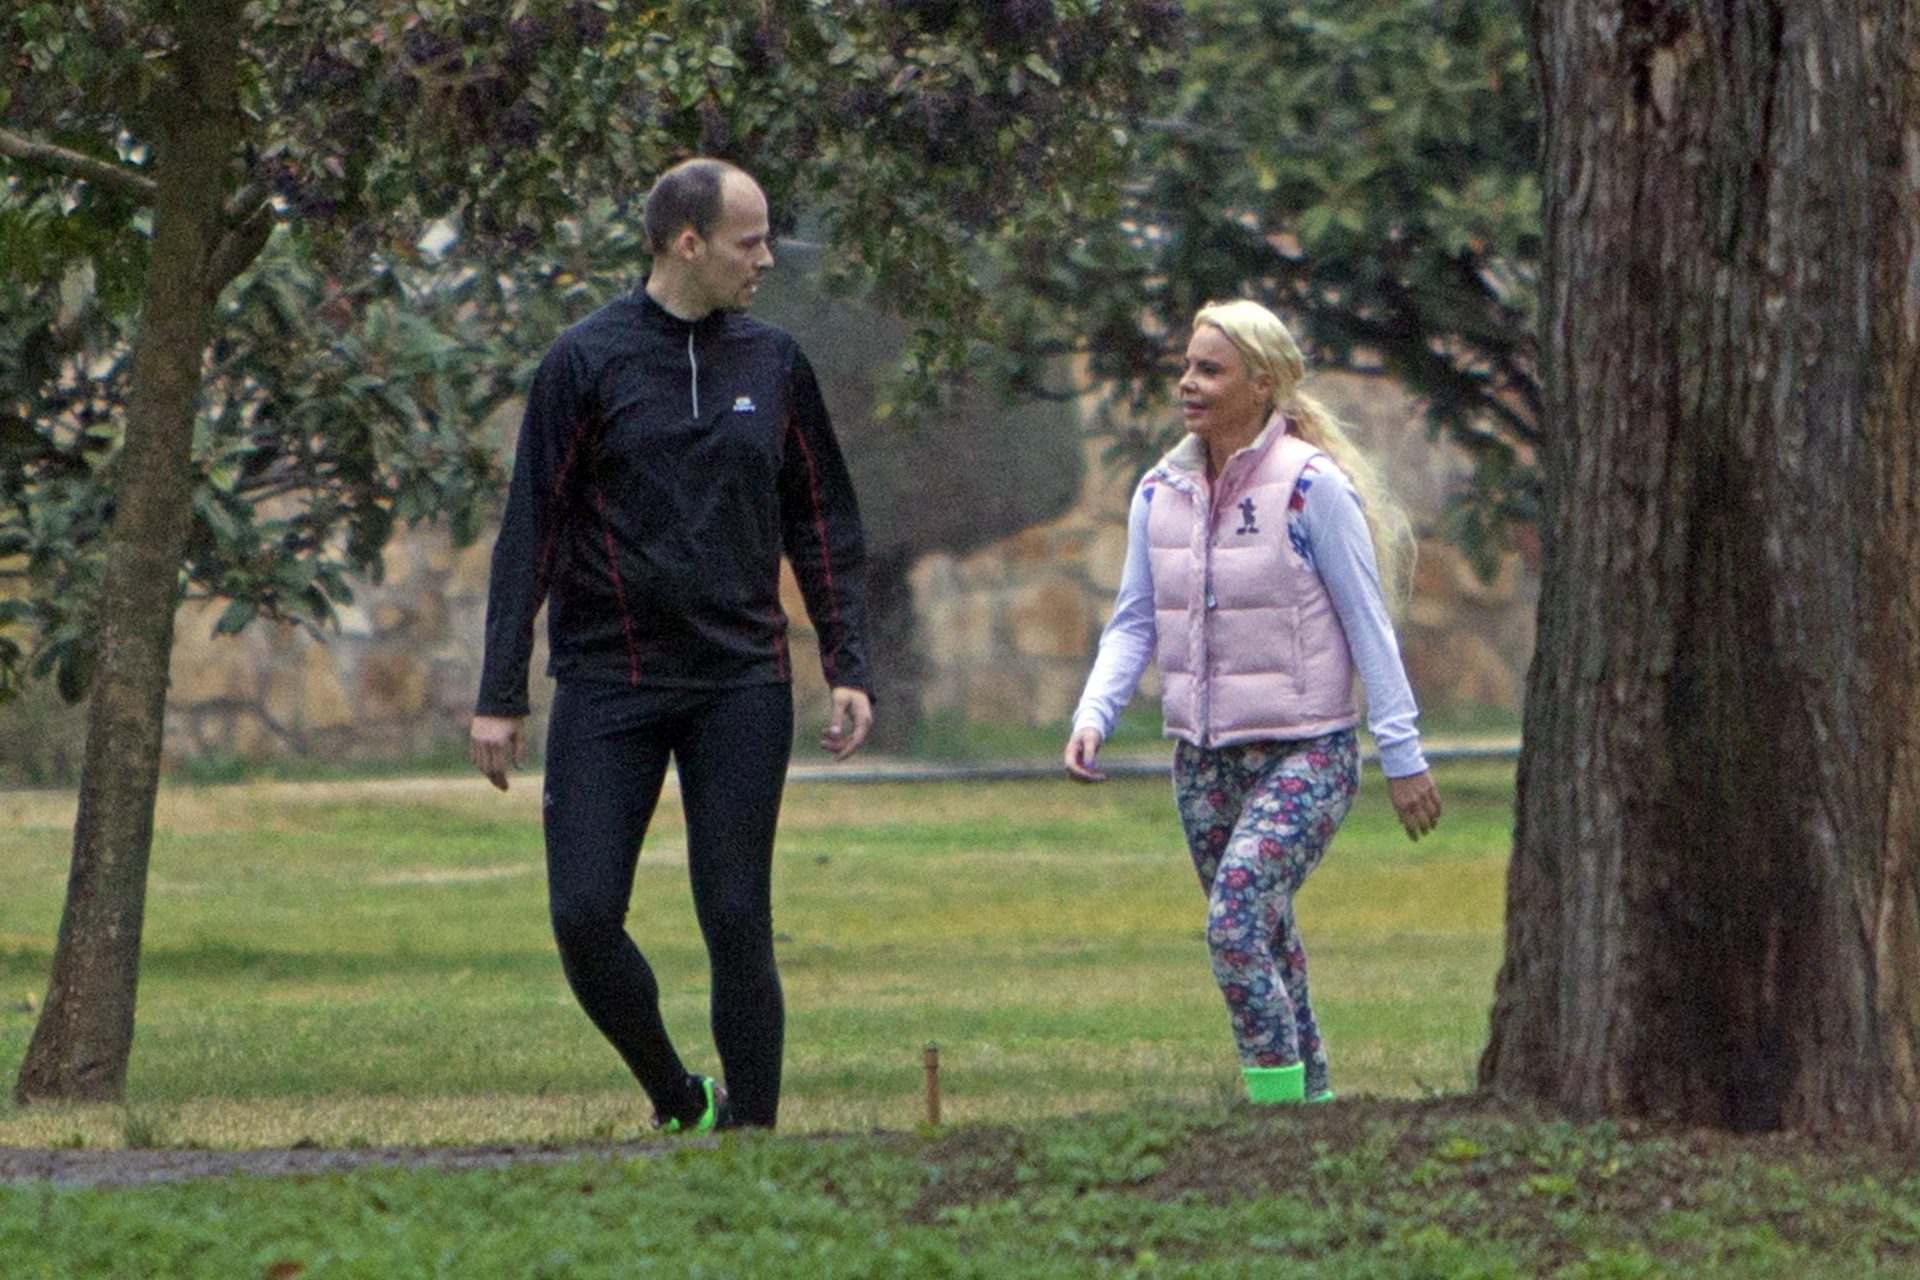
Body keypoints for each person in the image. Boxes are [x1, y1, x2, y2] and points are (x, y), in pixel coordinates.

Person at [470, 157, 875, 1132]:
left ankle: (757, 1137)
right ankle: (679, 1097)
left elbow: (820, 519)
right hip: (610, 680)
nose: (767, 259)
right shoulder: (585, 360)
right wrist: (501, 690)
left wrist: (848, 661)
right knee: (582, 915)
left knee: (737, 915)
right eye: (751, 240)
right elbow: (531, 523)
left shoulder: (775, 362)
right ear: (686, 241)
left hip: (740, 680)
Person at [1064, 299, 1441, 1106]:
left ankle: (1273, 1113)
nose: (1188, 384)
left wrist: (1402, 755)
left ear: (1262, 384)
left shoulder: (1311, 488)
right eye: (1186, 367)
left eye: (1210, 369)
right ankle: (1315, 1110)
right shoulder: (1159, 492)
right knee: (1267, 936)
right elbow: (1135, 621)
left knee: (1234, 928)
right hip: (1201, 762)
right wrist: (1094, 714)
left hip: (1306, 754)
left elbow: (1369, 628)